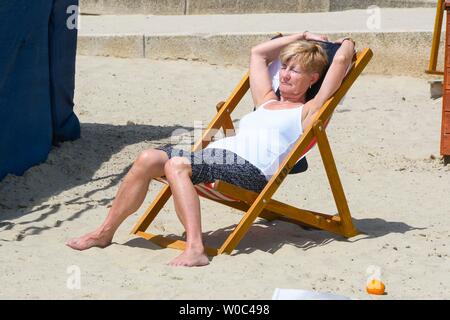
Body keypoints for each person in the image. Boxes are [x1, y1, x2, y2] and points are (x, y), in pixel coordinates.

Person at [66, 32, 355, 267]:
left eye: (296, 70)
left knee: (176, 165)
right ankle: (105, 233)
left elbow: (342, 59)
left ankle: (195, 248)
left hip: (250, 170)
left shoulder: (308, 110)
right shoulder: (265, 99)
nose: (286, 75)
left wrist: (337, 45)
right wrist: (301, 35)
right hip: (215, 157)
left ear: (313, 79)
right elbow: (258, 53)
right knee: (148, 158)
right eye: (286, 67)